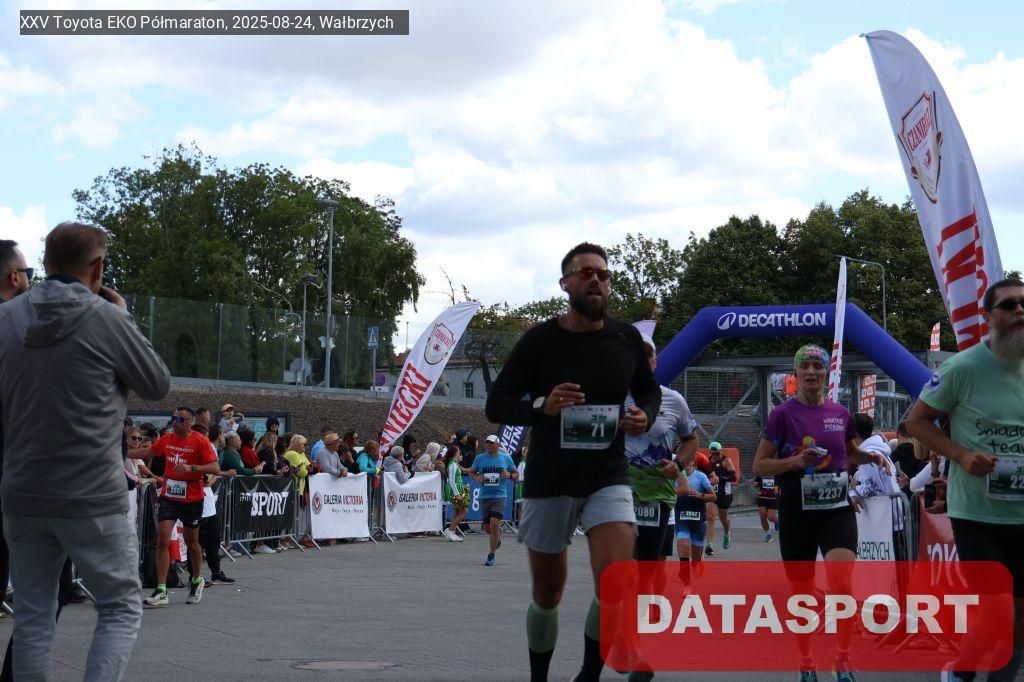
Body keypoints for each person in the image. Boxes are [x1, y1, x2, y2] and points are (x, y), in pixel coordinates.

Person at [0, 224, 171, 679]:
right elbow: (156, 383)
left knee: (32, 617)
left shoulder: (6, 319)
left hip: (23, 491)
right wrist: (123, 318)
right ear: (97, 268)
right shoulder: (106, 318)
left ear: (45, 262)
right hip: (91, 492)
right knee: (119, 606)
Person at [485, 242, 661, 682]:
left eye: (602, 273)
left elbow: (649, 391)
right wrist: (541, 408)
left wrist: (645, 414)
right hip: (551, 477)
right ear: (566, 284)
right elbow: (496, 403)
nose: (596, 279)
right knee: (548, 592)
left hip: (608, 475)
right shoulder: (539, 341)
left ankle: (588, 675)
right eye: (586, 273)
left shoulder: (626, 339)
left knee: (616, 580)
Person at [907, 278, 1024, 682]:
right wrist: (960, 454)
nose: (1019, 311)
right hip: (976, 515)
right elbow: (916, 422)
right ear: (988, 316)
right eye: (1009, 305)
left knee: (1018, 620)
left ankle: (968, 674)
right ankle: (962, 672)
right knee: (997, 610)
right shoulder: (962, 367)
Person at [752, 344, 883, 682]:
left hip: (836, 508)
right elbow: (759, 465)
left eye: (817, 366)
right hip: (797, 510)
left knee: (841, 583)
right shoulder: (782, 415)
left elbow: (850, 454)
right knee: (802, 594)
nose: (811, 372)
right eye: (805, 366)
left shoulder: (840, 413)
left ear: (827, 372)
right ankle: (807, 662)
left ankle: (842, 659)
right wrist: (795, 461)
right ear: (796, 374)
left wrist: (872, 457)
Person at [129, 406, 221, 607]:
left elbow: (215, 467)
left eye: (180, 420)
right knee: (162, 539)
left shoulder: (200, 440)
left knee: (192, 541)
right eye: (174, 418)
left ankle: (196, 580)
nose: (175, 422)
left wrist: (192, 467)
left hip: (192, 497)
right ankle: (161, 590)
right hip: (169, 496)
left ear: (190, 422)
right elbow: (148, 451)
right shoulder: (168, 438)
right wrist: (122, 453)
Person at [626, 331, 697, 569]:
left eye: (647, 354)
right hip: (614, 493)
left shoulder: (673, 400)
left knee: (648, 567)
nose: (641, 360)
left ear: (655, 361)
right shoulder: (606, 397)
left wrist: (678, 464)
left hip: (655, 496)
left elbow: (691, 440)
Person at [469, 435, 518, 566]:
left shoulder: (506, 458)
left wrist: (509, 475)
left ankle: (491, 555)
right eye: (487, 443)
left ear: (498, 445)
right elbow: (471, 472)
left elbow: (516, 473)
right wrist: (476, 478)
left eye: (492, 443)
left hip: (499, 496)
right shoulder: (480, 458)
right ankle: (497, 537)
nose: (489, 445)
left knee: (494, 524)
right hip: (484, 496)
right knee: (487, 528)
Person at [674, 449, 715, 587]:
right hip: (681, 518)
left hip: (699, 520)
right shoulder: (675, 477)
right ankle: (685, 575)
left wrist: (700, 495)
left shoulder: (701, 477)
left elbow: (713, 497)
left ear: (694, 461)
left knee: (696, 556)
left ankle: (695, 564)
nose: (687, 463)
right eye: (684, 460)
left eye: (689, 460)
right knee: (684, 546)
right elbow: (669, 493)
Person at [198, 474, 234, 585]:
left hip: (210, 510)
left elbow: (214, 472)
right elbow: (207, 482)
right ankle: (195, 576)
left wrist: (213, 475)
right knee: (198, 545)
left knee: (214, 543)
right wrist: (214, 477)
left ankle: (216, 572)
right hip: (199, 511)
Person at [704, 442, 735, 555]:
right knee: (710, 517)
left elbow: (733, 477)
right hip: (712, 494)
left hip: (724, 494)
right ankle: (710, 545)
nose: (715, 455)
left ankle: (726, 533)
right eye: (713, 453)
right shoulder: (706, 462)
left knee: (724, 519)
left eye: (717, 453)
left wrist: (719, 479)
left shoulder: (726, 461)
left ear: (721, 451)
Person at [442, 445, 467, 542]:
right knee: (464, 511)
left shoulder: (454, 464)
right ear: (455, 453)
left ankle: (452, 532)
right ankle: (450, 530)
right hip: (455, 490)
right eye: (459, 452)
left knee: (457, 512)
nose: (460, 453)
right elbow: (451, 480)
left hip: (457, 488)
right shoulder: (452, 464)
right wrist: (457, 494)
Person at [755, 473, 779, 543]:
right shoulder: (761, 471)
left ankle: (777, 521)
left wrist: (778, 486)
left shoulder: (777, 472)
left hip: (773, 497)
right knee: (762, 516)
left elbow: (782, 481)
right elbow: (757, 481)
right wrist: (756, 483)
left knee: (771, 517)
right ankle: (768, 534)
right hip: (762, 496)